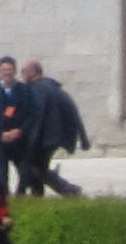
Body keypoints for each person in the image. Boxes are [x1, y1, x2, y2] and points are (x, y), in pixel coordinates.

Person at [19, 60, 87, 197]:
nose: (22, 74)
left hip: (44, 139)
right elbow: (73, 111)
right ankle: (38, 194)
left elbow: (38, 116)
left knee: (35, 168)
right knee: (37, 167)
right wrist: (82, 137)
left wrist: (31, 140)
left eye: (24, 71)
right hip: (52, 138)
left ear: (34, 72)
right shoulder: (53, 87)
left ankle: (69, 190)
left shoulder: (38, 89)